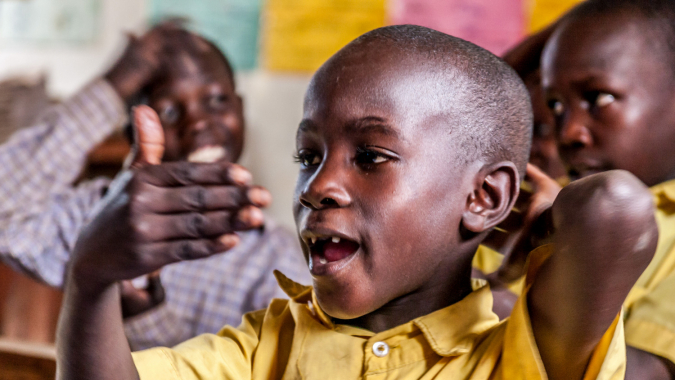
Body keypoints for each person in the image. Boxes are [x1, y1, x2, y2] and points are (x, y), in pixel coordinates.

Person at [56, 25, 657, 380]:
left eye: (370, 157)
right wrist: (92, 274)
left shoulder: (518, 349)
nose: (318, 186)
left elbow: (617, 208)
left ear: (484, 194)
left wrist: (535, 215)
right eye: (308, 156)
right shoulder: (269, 344)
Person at [0, 24, 309, 350]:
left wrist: (146, 316)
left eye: (217, 99)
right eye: (169, 111)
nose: (198, 122)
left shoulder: (272, 259)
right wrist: (113, 86)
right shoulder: (103, 220)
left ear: (241, 109)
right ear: (134, 136)